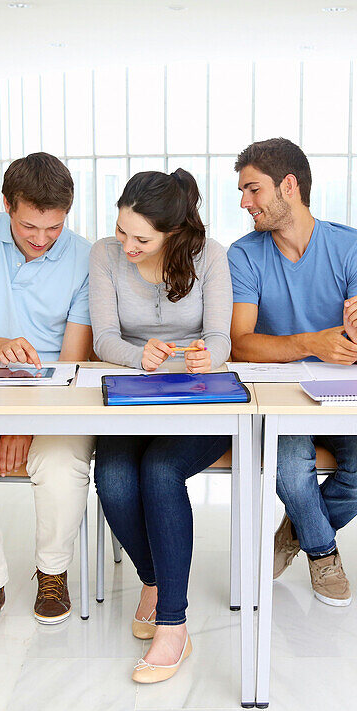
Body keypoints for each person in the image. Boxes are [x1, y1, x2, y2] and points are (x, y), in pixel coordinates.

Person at [228, 137, 357, 608]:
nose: (244, 203)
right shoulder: (243, 255)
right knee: (290, 471)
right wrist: (309, 345)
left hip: (345, 391)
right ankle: (322, 552)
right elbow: (240, 343)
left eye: (253, 190)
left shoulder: (356, 249)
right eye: (243, 192)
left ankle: (296, 530)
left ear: (289, 186)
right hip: (277, 395)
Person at [0, 152, 94, 639]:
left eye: (54, 228)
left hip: (57, 398)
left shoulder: (87, 255)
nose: (42, 239)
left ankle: (53, 575)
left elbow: (71, 361)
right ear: (6, 205)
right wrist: (1, 349)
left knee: (62, 463)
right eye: (30, 226)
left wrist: (27, 420)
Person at [90, 169, 232, 683]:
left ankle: (173, 623)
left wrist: (205, 356)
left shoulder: (209, 255)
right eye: (122, 230)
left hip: (198, 399)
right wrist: (136, 355)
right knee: (114, 477)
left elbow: (221, 337)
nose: (127, 244)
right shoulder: (105, 254)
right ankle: (153, 581)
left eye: (141, 239)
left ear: (173, 234)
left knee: (160, 471)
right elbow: (103, 337)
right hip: (133, 390)